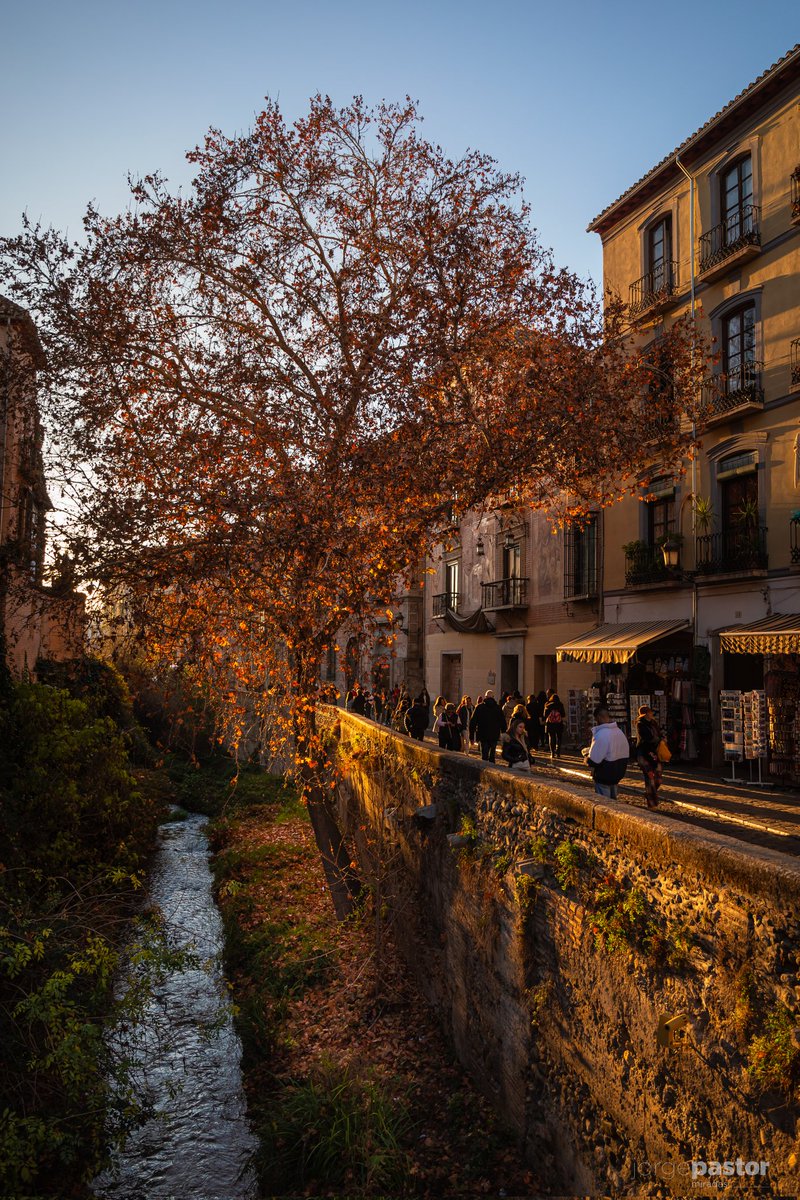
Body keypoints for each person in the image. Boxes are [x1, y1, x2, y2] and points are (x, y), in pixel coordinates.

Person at [582, 705, 630, 798]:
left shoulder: (601, 734)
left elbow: (595, 760)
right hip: (617, 772)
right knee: (613, 799)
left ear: (598, 718)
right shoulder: (619, 732)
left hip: (604, 774)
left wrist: (586, 759)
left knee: (605, 802)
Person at [635, 704, 664, 809]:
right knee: (650, 777)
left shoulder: (654, 723)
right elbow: (647, 738)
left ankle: (649, 794)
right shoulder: (640, 724)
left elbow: (659, 735)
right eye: (650, 712)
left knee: (658, 777)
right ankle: (652, 803)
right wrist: (657, 739)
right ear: (646, 714)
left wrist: (661, 739)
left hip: (654, 752)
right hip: (644, 753)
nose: (652, 713)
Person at [469, 688, 506, 762]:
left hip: (483, 734)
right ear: (493, 697)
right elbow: (503, 722)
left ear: (485, 697)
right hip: (494, 734)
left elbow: (472, 722)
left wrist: (472, 736)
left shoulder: (479, 707)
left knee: (484, 755)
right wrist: (503, 733)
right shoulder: (498, 708)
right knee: (492, 755)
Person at [543, 691, 565, 758]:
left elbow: (545, 715)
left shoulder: (547, 704)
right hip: (558, 723)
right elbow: (563, 714)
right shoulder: (560, 705)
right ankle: (558, 753)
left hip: (550, 723)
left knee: (551, 737)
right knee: (559, 738)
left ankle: (552, 753)